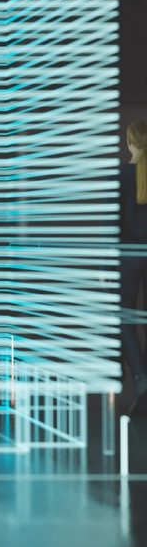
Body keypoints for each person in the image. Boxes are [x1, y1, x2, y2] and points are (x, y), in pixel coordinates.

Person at [122, 120, 147, 415]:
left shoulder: (121, 176)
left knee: (124, 319)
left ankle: (140, 376)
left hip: (126, 257)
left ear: (130, 142)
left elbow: (109, 227)